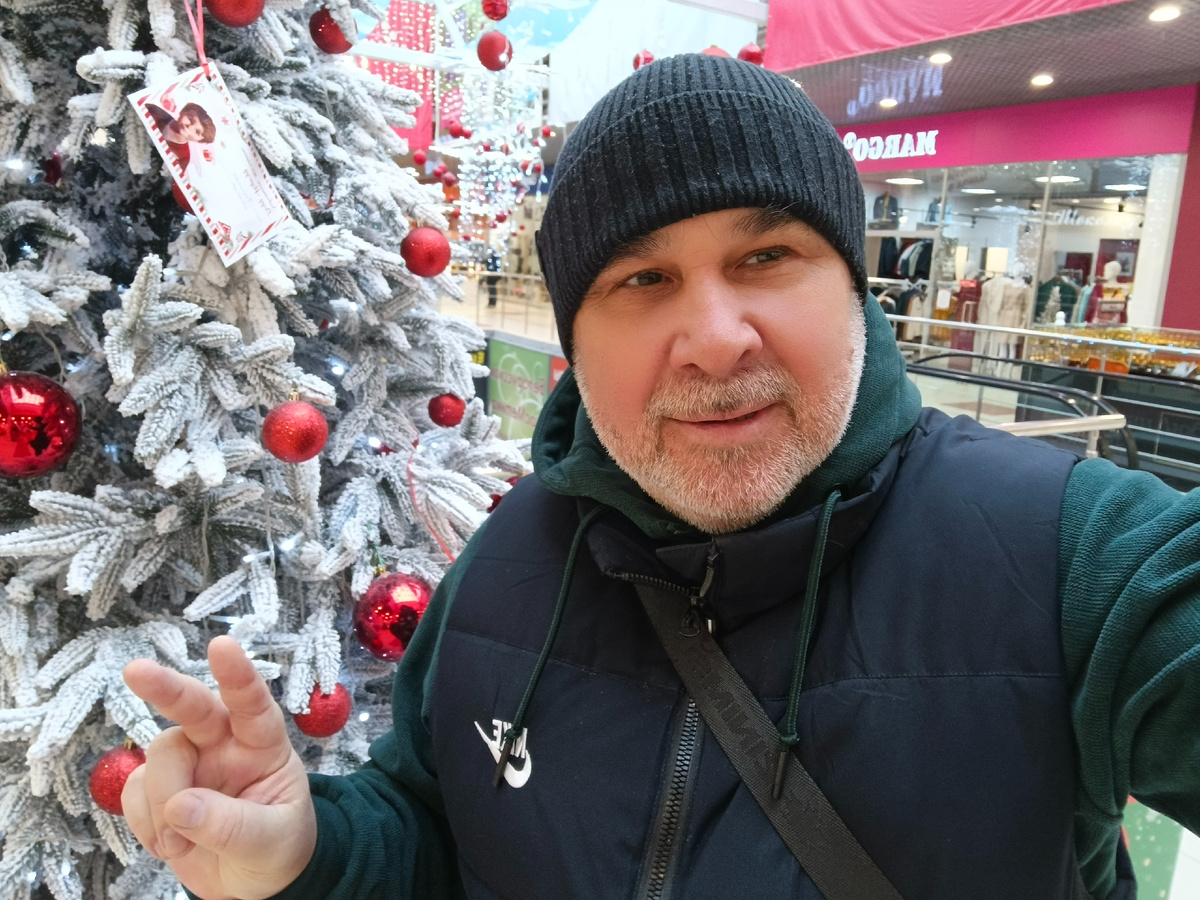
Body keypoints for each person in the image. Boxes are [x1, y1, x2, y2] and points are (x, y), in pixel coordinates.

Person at [120, 55, 1200, 900]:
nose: (716, 339)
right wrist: (310, 854)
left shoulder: (1068, 558)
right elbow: (437, 835)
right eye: (643, 278)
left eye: (766, 257)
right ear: (575, 343)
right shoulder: (507, 565)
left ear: (853, 287)